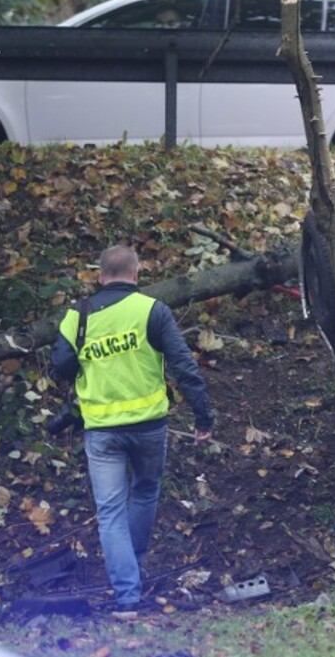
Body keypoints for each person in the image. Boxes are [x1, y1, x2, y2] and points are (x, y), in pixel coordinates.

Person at [51, 245, 213, 611]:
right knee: (144, 492)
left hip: (102, 430)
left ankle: (128, 596)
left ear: (99, 275)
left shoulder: (77, 316)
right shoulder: (152, 310)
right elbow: (184, 367)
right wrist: (204, 417)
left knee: (109, 512)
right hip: (149, 427)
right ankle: (135, 565)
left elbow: (60, 366)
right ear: (137, 274)